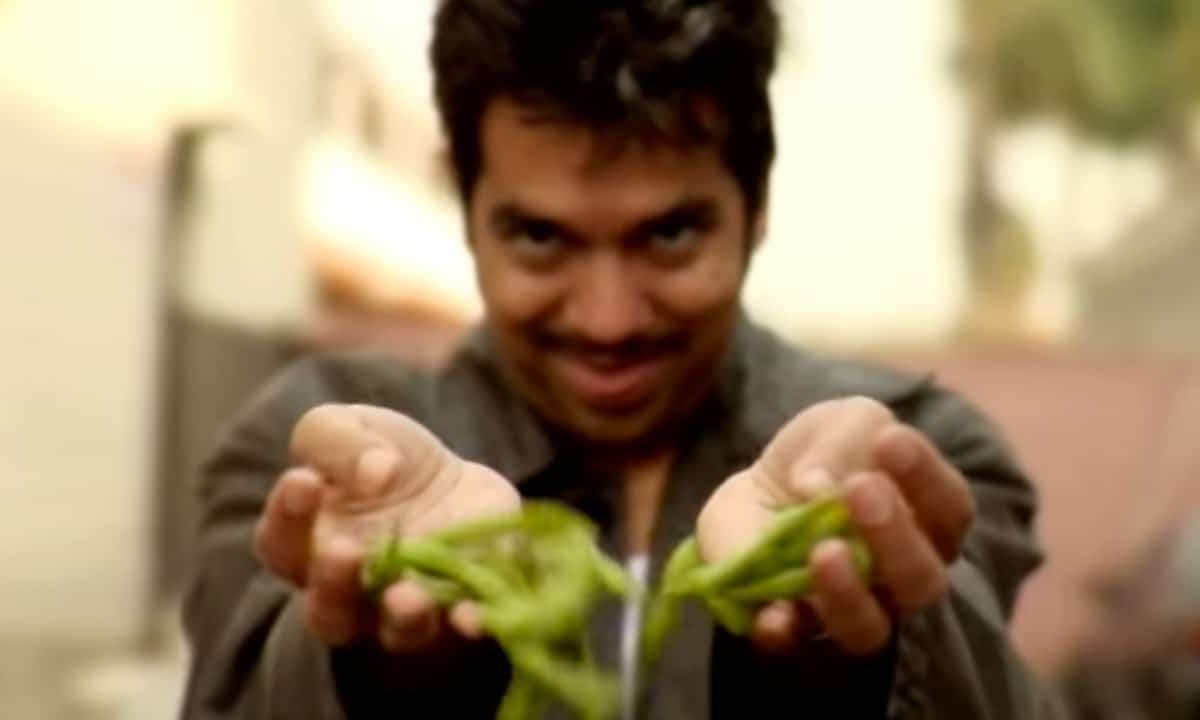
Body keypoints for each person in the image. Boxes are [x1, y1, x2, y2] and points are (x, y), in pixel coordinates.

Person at [181, 1, 1065, 717]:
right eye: (540, 238)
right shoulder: (317, 469)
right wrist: (384, 678)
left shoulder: (916, 454)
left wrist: (851, 664)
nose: (607, 321)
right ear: (467, 209)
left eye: (670, 235)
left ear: (757, 207)